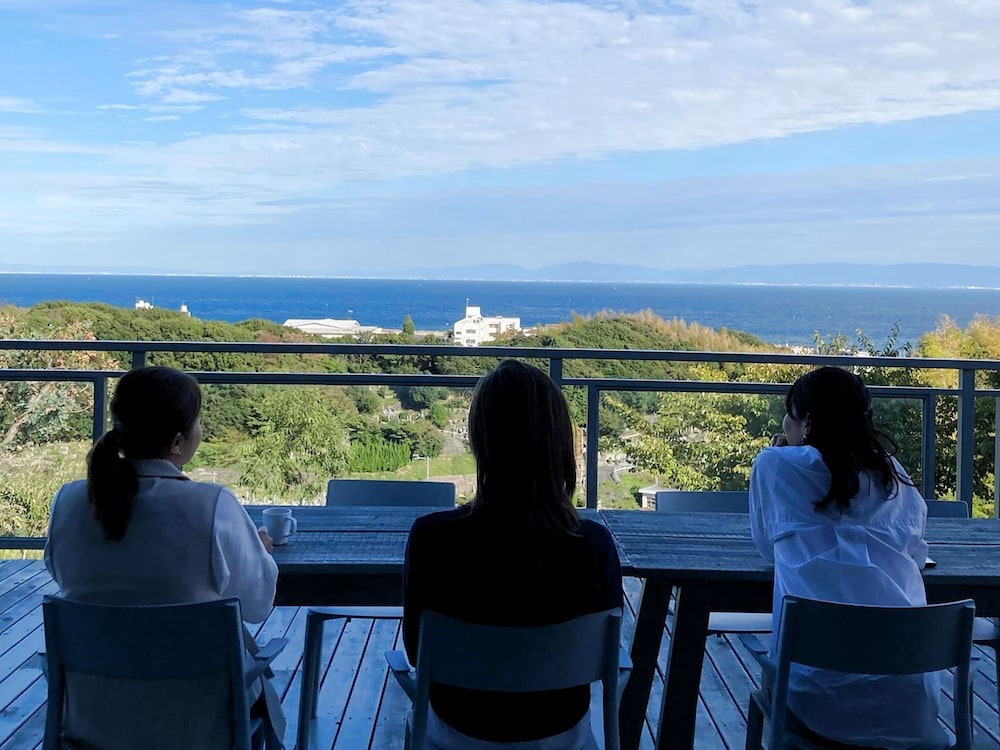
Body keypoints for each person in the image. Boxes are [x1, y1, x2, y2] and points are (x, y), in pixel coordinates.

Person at [44, 365, 283, 750]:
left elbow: (68, 578)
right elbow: (256, 604)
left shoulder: (70, 501)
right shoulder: (212, 506)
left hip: (95, 715)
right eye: (199, 421)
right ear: (177, 442)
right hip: (198, 720)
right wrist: (260, 552)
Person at [403, 359, 622, 749]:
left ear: (481, 441)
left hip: (458, 735)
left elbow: (417, 652)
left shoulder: (432, 540)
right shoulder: (594, 547)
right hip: (561, 737)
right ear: (558, 443)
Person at [749, 366, 946, 749]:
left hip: (817, 708)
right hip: (909, 706)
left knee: (778, 682)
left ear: (806, 421)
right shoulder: (895, 478)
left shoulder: (774, 465)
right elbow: (916, 556)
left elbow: (765, 546)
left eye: (790, 413)